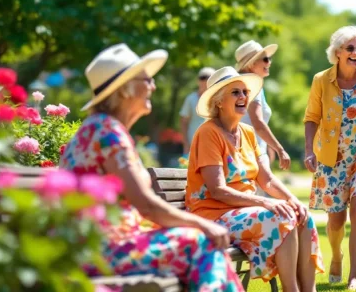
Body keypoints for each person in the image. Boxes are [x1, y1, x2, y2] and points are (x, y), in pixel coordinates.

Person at [60, 44, 241, 292]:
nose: (153, 86)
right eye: (147, 80)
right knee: (201, 242)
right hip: (101, 252)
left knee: (201, 244)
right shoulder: (106, 131)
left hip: (104, 245)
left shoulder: (100, 128)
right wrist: (203, 224)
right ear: (125, 89)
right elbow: (146, 204)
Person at [186, 66, 324, 292]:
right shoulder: (208, 132)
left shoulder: (248, 132)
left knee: (302, 216)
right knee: (281, 218)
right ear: (219, 102)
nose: (243, 97)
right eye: (235, 92)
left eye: (244, 92)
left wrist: (293, 200)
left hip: (241, 211)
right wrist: (266, 202)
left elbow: (267, 179)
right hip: (212, 215)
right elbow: (218, 190)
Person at [303, 25, 356, 291]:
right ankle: (336, 254)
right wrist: (309, 149)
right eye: (349, 48)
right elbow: (311, 117)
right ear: (337, 52)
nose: (355, 52)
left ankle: (354, 276)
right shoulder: (321, 80)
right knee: (336, 220)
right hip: (332, 158)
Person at [236, 40, 290, 171]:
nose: (269, 62)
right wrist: (280, 149)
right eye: (265, 59)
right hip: (251, 153)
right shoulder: (251, 84)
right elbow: (257, 122)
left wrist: (268, 145)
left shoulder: (237, 83)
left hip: (239, 152)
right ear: (252, 63)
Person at [180, 67, 215, 155]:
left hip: (214, 145)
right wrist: (186, 144)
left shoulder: (218, 100)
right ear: (198, 80)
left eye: (208, 78)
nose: (205, 80)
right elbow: (184, 122)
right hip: (194, 145)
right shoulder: (191, 99)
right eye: (202, 77)